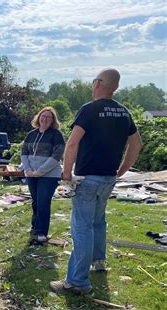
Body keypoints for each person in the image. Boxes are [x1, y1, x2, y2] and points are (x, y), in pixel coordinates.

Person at [50, 69, 142, 294]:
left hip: (87, 178)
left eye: (94, 81)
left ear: (99, 83)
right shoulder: (123, 112)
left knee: (82, 227)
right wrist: (122, 170)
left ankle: (77, 281)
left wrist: (66, 173)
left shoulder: (89, 110)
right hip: (108, 177)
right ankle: (98, 261)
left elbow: (72, 144)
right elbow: (136, 144)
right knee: (98, 221)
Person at [21, 107, 65, 244]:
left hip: (49, 175)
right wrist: (27, 169)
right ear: (38, 117)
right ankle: (35, 227)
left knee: (43, 202)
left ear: (52, 121)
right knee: (36, 201)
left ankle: (41, 233)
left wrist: (41, 170)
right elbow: (24, 152)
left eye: (48, 117)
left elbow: (57, 155)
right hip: (31, 174)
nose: (45, 119)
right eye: (43, 116)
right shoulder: (31, 134)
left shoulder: (56, 135)